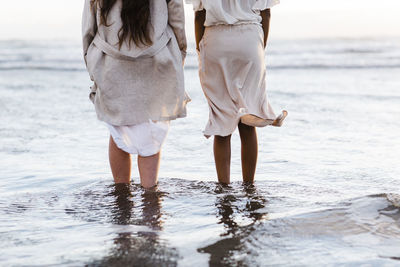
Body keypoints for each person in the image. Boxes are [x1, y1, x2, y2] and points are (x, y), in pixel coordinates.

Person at [82, 0, 190, 188]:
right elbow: (177, 19)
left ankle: (122, 199)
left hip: (112, 65)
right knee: (151, 136)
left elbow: (88, 30)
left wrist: (92, 64)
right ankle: (150, 200)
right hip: (155, 62)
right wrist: (179, 54)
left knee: (118, 128)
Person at [187, 0, 287, 184]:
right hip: (249, 38)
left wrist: (200, 49)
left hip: (216, 40)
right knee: (249, 117)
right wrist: (258, 47)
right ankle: (249, 185)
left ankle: (224, 188)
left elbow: (199, 15)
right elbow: (266, 13)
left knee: (221, 118)